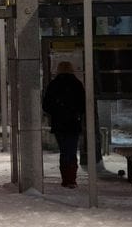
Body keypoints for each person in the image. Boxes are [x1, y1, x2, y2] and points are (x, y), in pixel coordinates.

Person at [42, 61, 85, 189]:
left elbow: (46, 105)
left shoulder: (54, 85)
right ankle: (71, 178)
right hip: (73, 123)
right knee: (71, 150)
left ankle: (65, 178)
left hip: (59, 123)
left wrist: (57, 112)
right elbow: (83, 104)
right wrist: (75, 112)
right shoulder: (77, 84)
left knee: (63, 151)